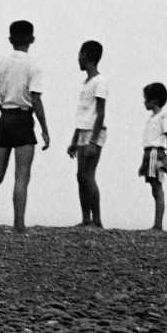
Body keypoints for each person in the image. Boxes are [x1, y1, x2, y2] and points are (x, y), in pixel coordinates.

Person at [0, 20, 51, 234]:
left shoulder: (1, 62)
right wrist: (45, 129)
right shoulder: (33, 65)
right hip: (23, 118)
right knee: (21, 175)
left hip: (5, 118)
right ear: (32, 39)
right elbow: (36, 99)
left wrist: (0, 106)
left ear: (10, 39)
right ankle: (19, 224)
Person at [67, 40, 109, 228]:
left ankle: (97, 219)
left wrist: (93, 141)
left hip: (94, 132)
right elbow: (82, 114)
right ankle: (86, 218)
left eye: (79, 55)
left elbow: (100, 113)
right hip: (83, 131)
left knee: (88, 175)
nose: (78, 58)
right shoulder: (86, 82)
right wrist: (74, 140)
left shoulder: (100, 81)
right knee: (80, 175)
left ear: (85, 56)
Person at [138, 82, 167, 231]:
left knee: (157, 188)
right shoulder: (152, 119)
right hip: (149, 154)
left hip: (155, 153)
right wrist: (143, 163)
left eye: (146, 99)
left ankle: (158, 224)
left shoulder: (162, 117)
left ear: (154, 100)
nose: (144, 102)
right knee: (155, 188)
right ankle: (157, 223)